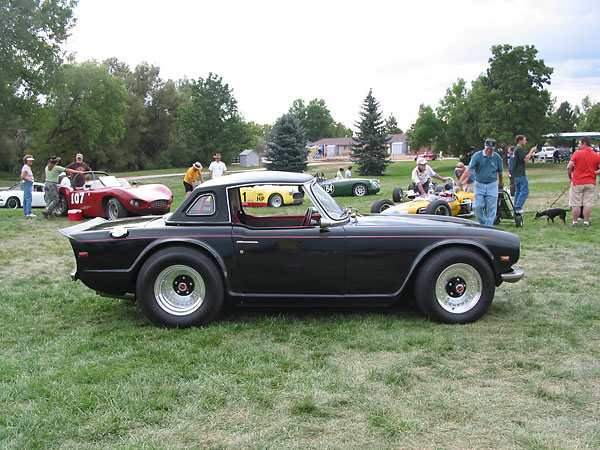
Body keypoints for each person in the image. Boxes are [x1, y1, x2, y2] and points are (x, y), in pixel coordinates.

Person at [459, 138, 504, 227]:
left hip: (492, 184)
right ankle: (484, 223)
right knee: (477, 207)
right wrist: (460, 182)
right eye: (487, 148)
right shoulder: (477, 156)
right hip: (479, 184)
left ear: (494, 148)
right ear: (484, 146)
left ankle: (489, 227)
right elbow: (469, 170)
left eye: (491, 149)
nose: (489, 150)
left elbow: (500, 172)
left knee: (491, 208)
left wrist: (501, 183)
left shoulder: (497, 157)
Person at [567, 136, 600, 228]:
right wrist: (595, 173)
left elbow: (569, 167)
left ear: (584, 143)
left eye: (580, 143)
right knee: (587, 203)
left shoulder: (577, 153)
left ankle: (575, 222)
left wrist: (570, 177)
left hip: (578, 182)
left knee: (576, 204)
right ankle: (586, 222)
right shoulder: (596, 155)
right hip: (590, 182)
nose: (579, 145)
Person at [512, 135, 537, 213]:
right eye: (524, 140)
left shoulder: (516, 149)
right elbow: (525, 159)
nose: (526, 142)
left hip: (516, 174)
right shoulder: (519, 149)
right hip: (520, 174)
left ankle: (516, 207)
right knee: (524, 191)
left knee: (518, 191)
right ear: (520, 141)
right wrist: (532, 151)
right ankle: (518, 207)